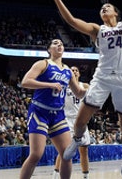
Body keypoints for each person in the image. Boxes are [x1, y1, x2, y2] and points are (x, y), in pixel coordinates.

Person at [44, 0, 122, 177]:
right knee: (80, 122)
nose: (104, 9)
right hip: (102, 77)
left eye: (108, 7)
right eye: (102, 8)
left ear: (115, 12)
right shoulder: (97, 30)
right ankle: (78, 140)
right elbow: (71, 20)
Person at [19, 39, 87, 179]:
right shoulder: (43, 64)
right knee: (36, 154)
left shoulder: (68, 70)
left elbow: (79, 93)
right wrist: (49, 85)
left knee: (67, 154)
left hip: (58, 114)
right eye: (55, 43)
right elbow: (25, 81)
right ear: (49, 49)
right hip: (39, 111)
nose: (59, 45)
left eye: (61, 43)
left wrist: (95, 89)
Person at [52, 66, 91, 179]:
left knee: (84, 150)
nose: (74, 71)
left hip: (81, 119)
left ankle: (85, 176)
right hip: (67, 119)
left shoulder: (84, 86)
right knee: (64, 150)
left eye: (76, 70)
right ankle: (55, 175)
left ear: (79, 74)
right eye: (72, 70)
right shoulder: (63, 85)